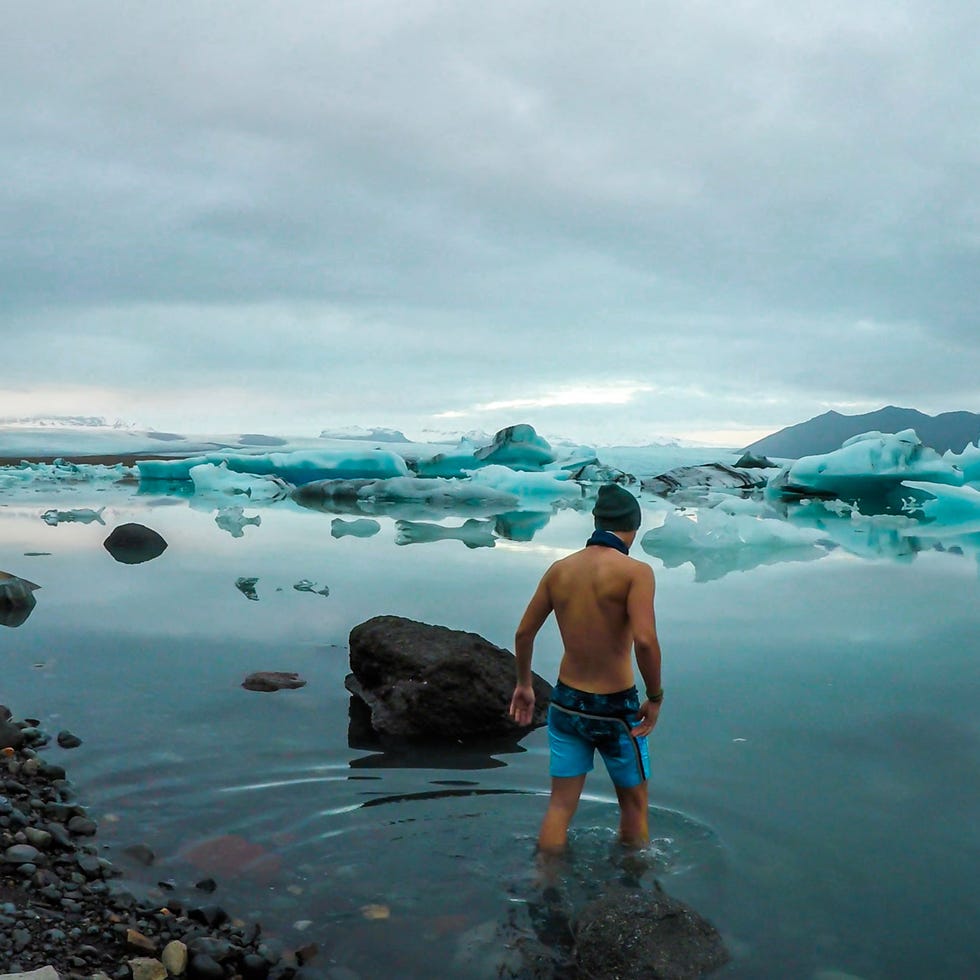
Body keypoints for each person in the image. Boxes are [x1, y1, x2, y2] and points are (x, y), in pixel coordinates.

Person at [509, 483, 663, 854]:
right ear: (633, 528)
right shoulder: (635, 572)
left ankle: (545, 883)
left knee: (560, 805)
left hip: (565, 704)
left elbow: (523, 633)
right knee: (634, 804)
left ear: (596, 522)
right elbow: (644, 640)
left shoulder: (560, 569)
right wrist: (655, 697)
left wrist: (524, 684)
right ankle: (633, 891)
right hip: (616, 709)